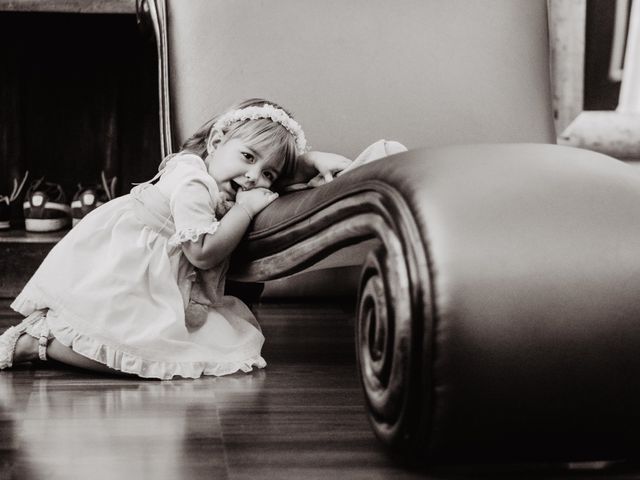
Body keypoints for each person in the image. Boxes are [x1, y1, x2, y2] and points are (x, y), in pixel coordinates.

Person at [0, 98, 352, 380]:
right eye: (247, 157)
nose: (252, 178)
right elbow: (201, 253)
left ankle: (52, 336)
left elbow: (277, 186)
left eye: (267, 174)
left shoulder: (223, 177)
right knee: (143, 357)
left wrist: (310, 162)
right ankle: (38, 342)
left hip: (159, 280)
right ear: (216, 142)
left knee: (197, 349)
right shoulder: (192, 182)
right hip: (127, 272)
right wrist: (243, 212)